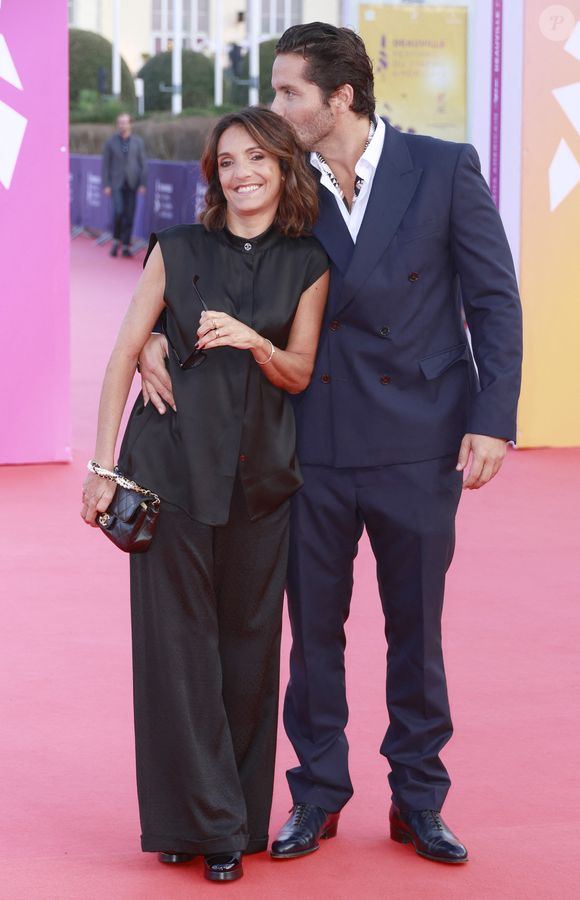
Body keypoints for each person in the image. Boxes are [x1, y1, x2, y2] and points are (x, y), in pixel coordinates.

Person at [138, 23, 523, 867]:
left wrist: (493, 416)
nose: (275, 106)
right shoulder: (286, 179)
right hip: (306, 437)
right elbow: (218, 262)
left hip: (420, 437)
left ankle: (419, 797)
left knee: (416, 629)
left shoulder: (441, 167)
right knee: (313, 632)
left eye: (289, 92)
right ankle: (316, 792)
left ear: (339, 97)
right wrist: (155, 336)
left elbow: (494, 298)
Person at [81, 106, 329, 883]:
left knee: (249, 652)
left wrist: (256, 343)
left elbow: (301, 371)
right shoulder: (178, 246)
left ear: (283, 167)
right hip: (173, 472)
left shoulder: (308, 262)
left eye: (256, 158)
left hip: (262, 481)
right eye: (226, 162)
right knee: (175, 653)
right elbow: (124, 352)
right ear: (213, 176)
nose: (241, 172)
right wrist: (100, 465)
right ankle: (202, 823)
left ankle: (234, 820)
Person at [102, 112, 147, 257]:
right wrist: (106, 184)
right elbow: (105, 165)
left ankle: (126, 245)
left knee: (130, 214)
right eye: (120, 123)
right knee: (119, 212)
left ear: (130, 124)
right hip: (116, 183)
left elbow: (143, 164)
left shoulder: (138, 142)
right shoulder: (110, 142)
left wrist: (143, 183)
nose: (122, 125)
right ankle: (116, 240)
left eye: (124, 122)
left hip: (132, 183)